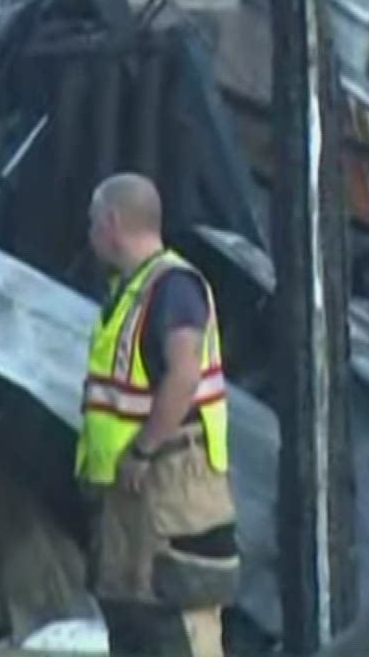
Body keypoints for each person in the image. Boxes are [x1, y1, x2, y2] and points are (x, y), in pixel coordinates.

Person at [78, 174, 240, 657]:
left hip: (172, 490)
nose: (89, 235)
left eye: (92, 224)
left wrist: (144, 449)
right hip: (130, 502)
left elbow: (184, 374)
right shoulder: (128, 293)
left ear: (111, 224)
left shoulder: (172, 287)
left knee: (181, 628)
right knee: (137, 627)